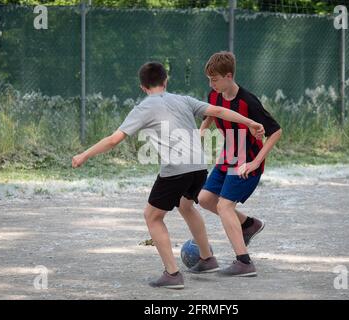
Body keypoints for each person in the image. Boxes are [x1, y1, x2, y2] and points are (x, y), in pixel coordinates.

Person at [72, 62, 265, 289]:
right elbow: (218, 111)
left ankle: (172, 275)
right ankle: (207, 258)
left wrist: (84, 155)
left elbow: (114, 139)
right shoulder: (182, 99)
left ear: (143, 87)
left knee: (152, 216)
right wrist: (250, 122)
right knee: (186, 205)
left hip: (177, 170)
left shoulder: (143, 107)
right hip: (198, 167)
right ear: (165, 81)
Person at [196, 51, 282, 277]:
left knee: (224, 206)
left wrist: (254, 163)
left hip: (246, 162)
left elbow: (276, 131)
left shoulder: (248, 101)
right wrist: (202, 131)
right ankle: (249, 225)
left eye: (215, 79)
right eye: (209, 79)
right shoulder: (213, 95)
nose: (211, 83)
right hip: (227, 158)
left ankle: (244, 262)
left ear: (229, 76)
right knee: (204, 199)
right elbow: (212, 113)